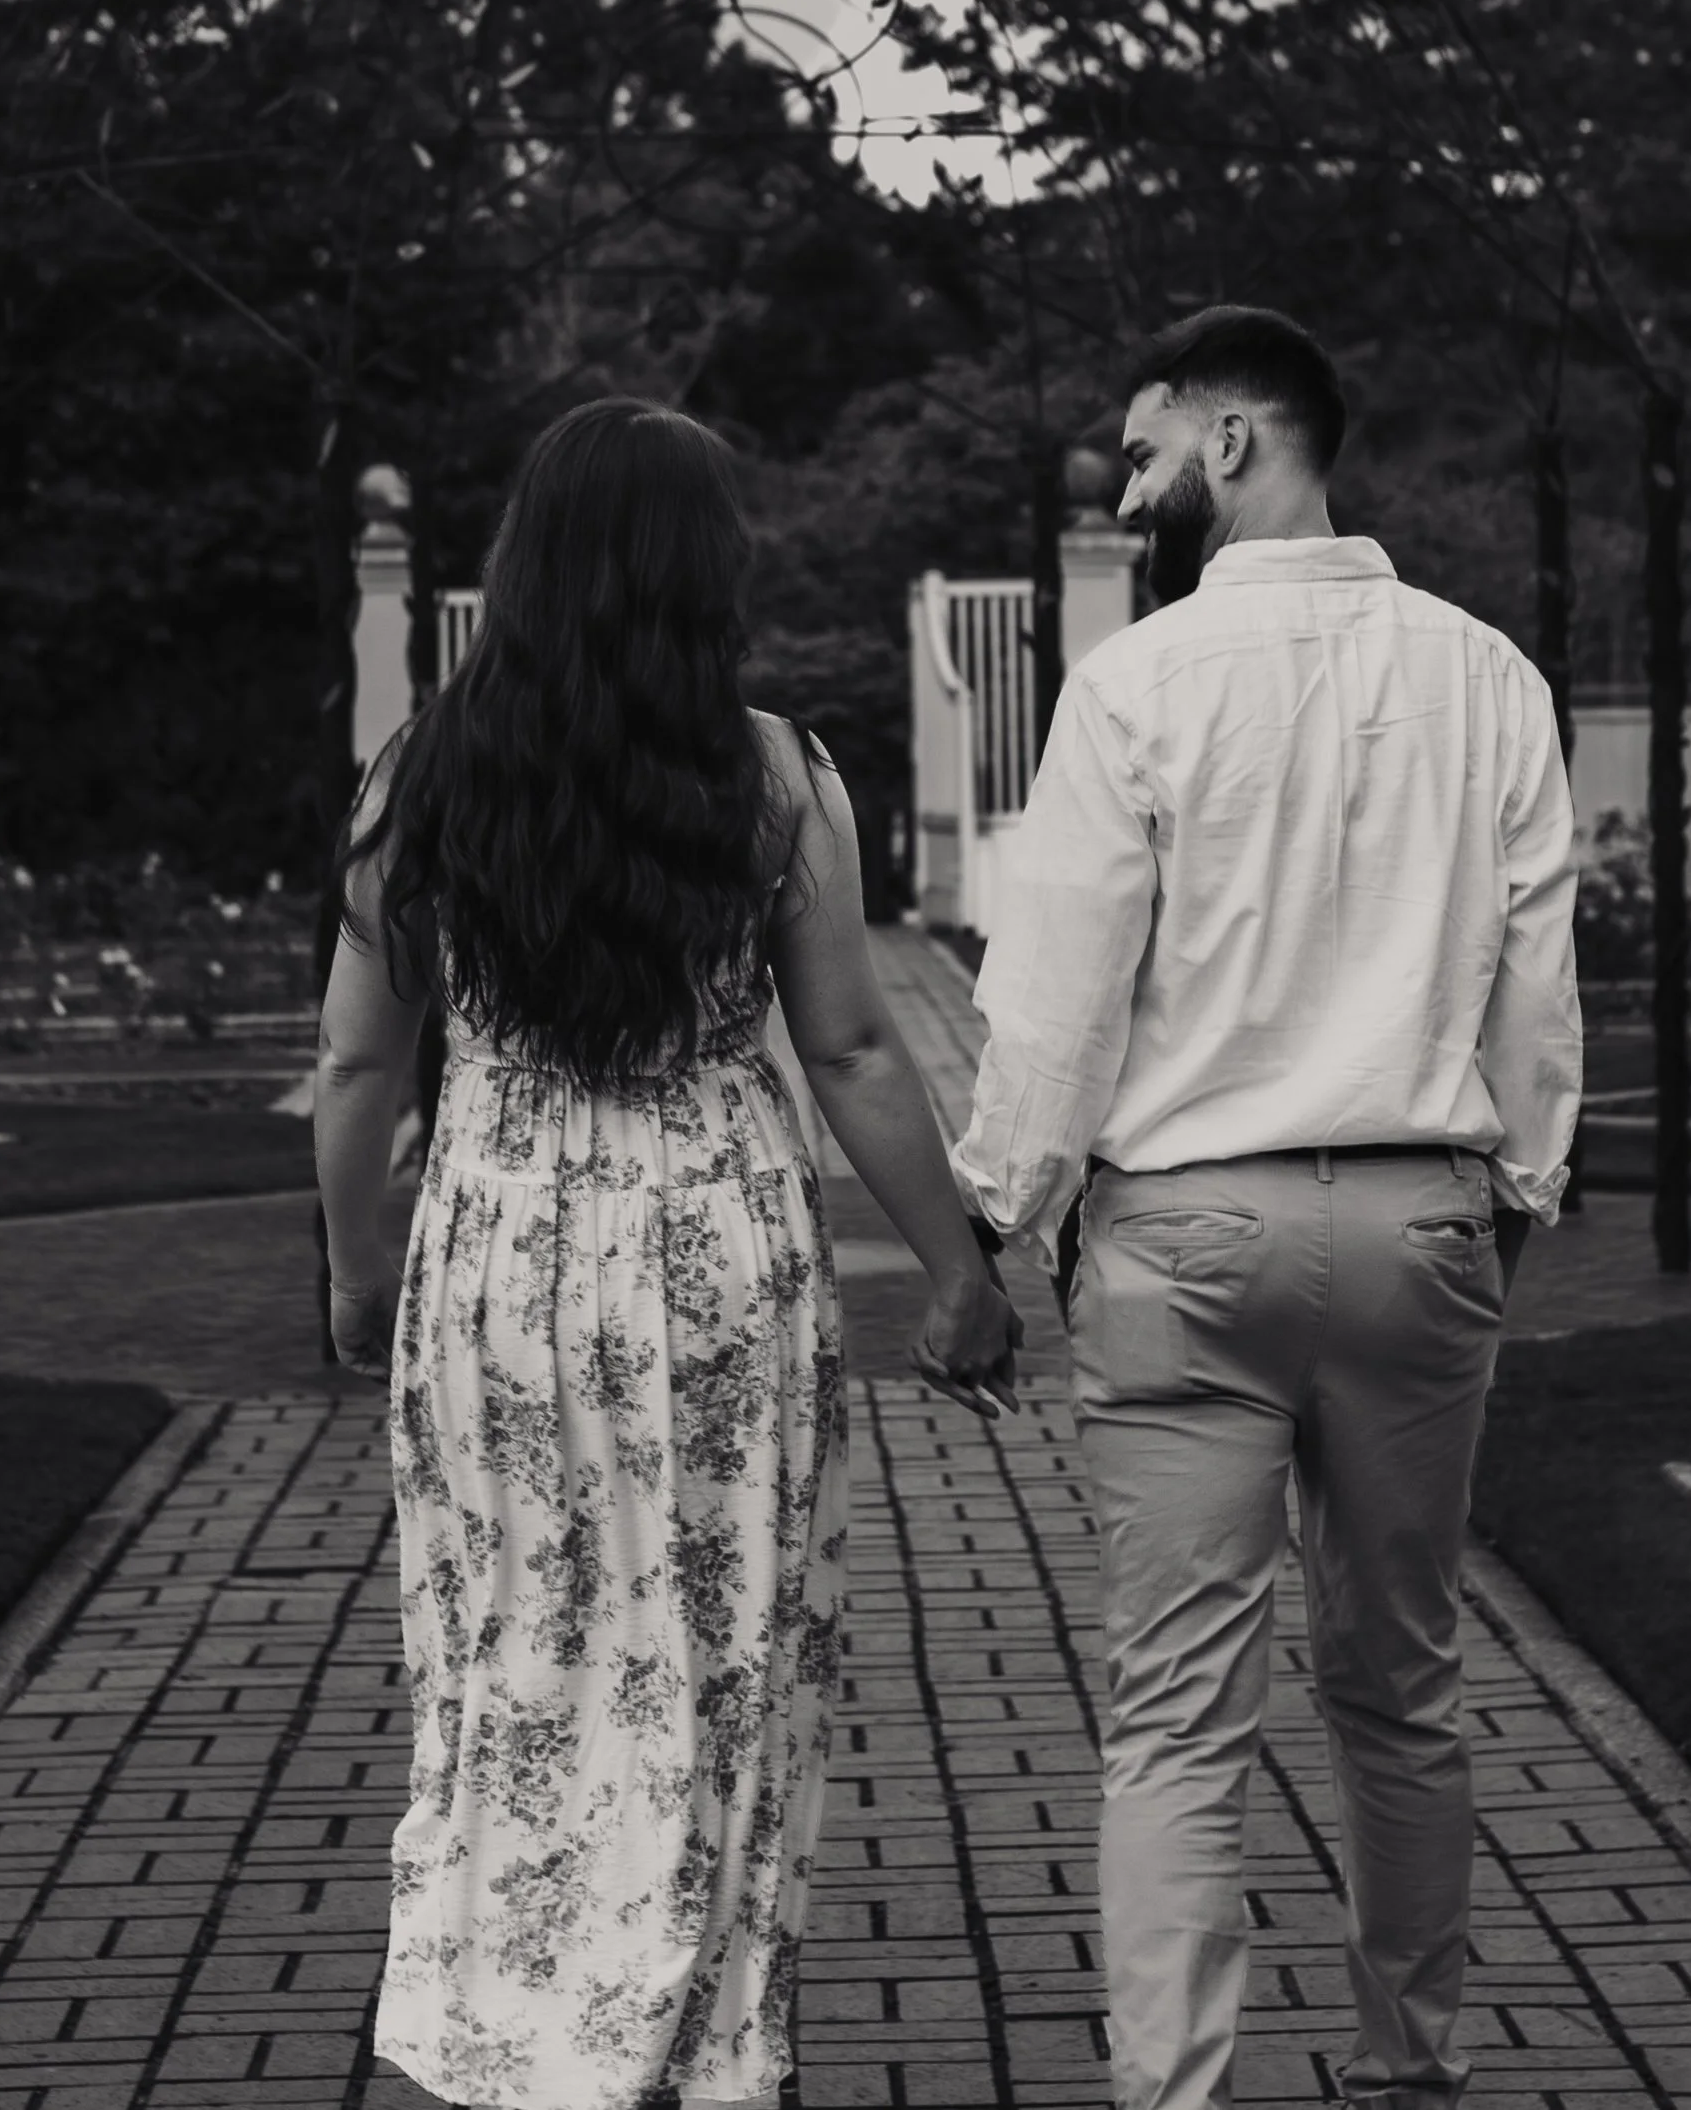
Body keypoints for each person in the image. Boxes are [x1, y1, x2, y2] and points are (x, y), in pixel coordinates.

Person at [316, 398, 1021, 2110]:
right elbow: (852, 1050)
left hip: (495, 1255)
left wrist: (356, 1271)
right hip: (717, 1256)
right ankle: (697, 2052)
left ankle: (516, 2039)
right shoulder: (774, 772)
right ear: (705, 576)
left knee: (516, 1662)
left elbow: (355, 1065)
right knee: (716, 1660)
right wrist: (960, 1272)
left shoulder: (424, 770)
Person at [952, 306, 1580, 2110]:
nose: (1130, 484)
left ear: (1235, 441)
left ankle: (1177, 2098)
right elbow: (1536, 1000)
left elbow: (1060, 998)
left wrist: (995, 1221)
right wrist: (1509, 1197)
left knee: (1174, 1716)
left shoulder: (1138, 684)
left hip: (1185, 1241)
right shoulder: (1491, 675)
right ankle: (1413, 2069)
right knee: (1403, 1683)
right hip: (1419, 1226)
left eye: (1145, 451)